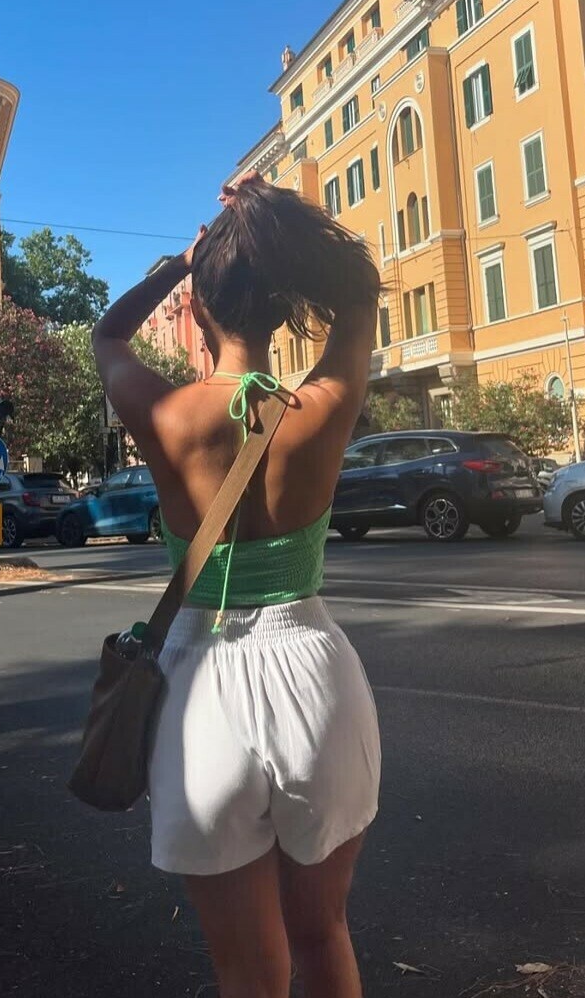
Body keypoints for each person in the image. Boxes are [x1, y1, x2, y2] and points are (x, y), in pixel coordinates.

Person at [92, 171, 382, 998]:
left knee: (247, 969)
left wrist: (181, 265)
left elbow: (108, 336)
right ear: (284, 310)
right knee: (323, 934)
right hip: (314, 677)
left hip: (199, 690)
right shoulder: (323, 406)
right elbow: (360, 288)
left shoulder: (164, 415)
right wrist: (272, 213)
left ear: (196, 310)